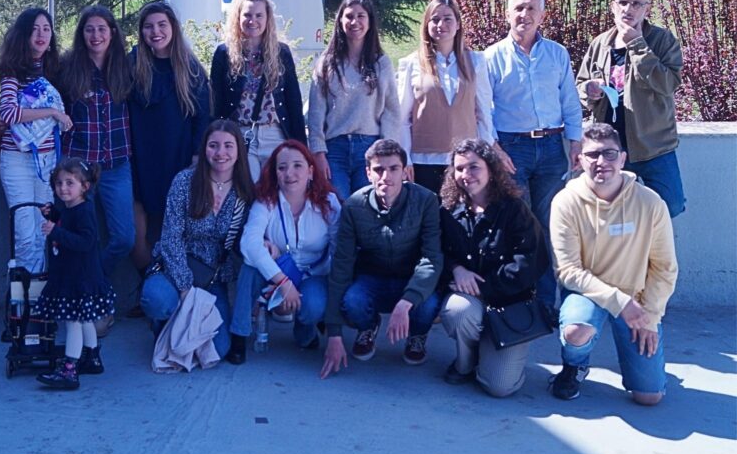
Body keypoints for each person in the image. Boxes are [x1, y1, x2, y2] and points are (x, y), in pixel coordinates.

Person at [549, 123, 678, 405]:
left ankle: (642, 367)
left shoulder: (650, 203)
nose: (601, 162)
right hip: (588, 295)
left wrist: (651, 317)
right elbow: (568, 271)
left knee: (649, 397)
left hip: (637, 299)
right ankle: (575, 365)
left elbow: (664, 266)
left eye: (609, 154)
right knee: (576, 331)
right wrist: (619, 302)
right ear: (579, 159)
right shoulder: (565, 202)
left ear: (622, 158)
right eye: (592, 155)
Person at [484, 0, 583, 315]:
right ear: (507, 13)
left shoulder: (557, 54)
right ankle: (521, 298)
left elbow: (569, 101)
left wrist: (576, 142)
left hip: (553, 149)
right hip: (512, 150)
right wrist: (495, 149)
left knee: (551, 224)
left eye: (531, 9)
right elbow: (482, 110)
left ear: (542, 15)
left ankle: (546, 302)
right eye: (518, 9)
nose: (524, 15)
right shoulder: (492, 57)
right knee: (521, 226)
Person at [320, 139, 443, 379]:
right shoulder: (354, 206)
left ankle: (417, 335)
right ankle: (368, 327)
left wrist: (407, 301)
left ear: (405, 171)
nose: (386, 176)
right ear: (368, 173)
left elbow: (431, 257)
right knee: (352, 300)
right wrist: (334, 334)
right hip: (372, 278)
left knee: (428, 304)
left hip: (411, 278)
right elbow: (342, 265)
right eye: (378, 169)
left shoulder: (426, 200)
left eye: (394, 168)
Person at [140, 120, 255, 359]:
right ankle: (164, 326)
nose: (220, 153)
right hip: (176, 267)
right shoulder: (185, 182)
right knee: (157, 300)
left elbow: (245, 238)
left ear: (238, 151)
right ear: (204, 149)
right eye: (213, 145)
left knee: (220, 349)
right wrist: (184, 289)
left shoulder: (244, 190)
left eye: (228, 146)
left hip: (213, 275)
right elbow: (171, 237)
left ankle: (182, 326)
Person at [438, 139, 544, 397]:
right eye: (460, 169)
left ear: (491, 169)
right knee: (459, 311)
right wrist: (455, 269)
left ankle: (491, 354)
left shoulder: (515, 209)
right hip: (470, 302)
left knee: (499, 387)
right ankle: (466, 362)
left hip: (509, 303)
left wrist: (482, 286)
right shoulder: (449, 210)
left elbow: (531, 261)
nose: (466, 175)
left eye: (474, 167)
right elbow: (437, 251)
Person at [575, 0, 685, 218]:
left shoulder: (662, 40)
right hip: (610, 147)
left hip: (652, 145)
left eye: (636, 3)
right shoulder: (600, 43)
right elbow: (581, 84)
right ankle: (622, 254)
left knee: (671, 205)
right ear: (613, 7)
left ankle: (649, 251)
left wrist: (636, 44)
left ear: (647, 8)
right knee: (607, 212)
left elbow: (668, 84)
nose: (628, 9)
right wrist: (589, 90)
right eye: (623, 3)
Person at [226, 140, 341, 364]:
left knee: (313, 306)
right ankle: (239, 335)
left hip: (314, 274)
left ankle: (306, 329)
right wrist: (283, 282)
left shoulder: (329, 202)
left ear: (310, 171)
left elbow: (339, 250)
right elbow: (249, 244)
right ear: (275, 173)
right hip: (277, 270)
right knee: (250, 269)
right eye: (282, 167)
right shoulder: (266, 201)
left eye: (297, 165)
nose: (289, 173)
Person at [128, 1, 210, 270]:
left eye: (162, 24)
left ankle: (179, 292)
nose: (156, 31)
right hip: (139, 158)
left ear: (173, 27)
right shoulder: (132, 63)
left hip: (178, 156)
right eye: (149, 26)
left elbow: (203, 117)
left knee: (176, 229)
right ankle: (148, 290)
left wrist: (198, 156)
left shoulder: (190, 67)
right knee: (139, 235)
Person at [60, 5, 135, 279]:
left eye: (102, 29)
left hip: (117, 166)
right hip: (79, 169)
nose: (95, 35)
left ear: (112, 33)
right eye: (89, 29)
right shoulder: (67, 68)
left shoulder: (126, 67)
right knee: (80, 237)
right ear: (81, 34)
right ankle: (88, 301)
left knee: (124, 238)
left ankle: (95, 284)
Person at [0, 7, 71, 274]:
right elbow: (9, 113)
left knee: (43, 230)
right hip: (17, 160)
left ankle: (39, 299)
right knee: (24, 231)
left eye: (46, 29)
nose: (41, 35)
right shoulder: (12, 71)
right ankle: (22, 301)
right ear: (23, 34)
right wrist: (51, 112)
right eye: (34, 29)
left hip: (48, 161)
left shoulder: (56, 71)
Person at [397, 0, 494, 194]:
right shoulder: (412, 64)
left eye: (448, 18)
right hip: (423, 161)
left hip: (464, 162)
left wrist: (486, 156)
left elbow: (484, 112)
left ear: (458, 24)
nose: (441, 24)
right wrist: (404, 157)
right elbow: (402, 118)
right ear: (427, 25)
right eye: (435, 19)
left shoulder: (476, 62)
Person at [307, 0, 399, 200]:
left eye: (360, 16)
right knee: (337, 206)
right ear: (340, 21)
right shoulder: (326, 64)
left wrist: (387, 151)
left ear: (369, 22)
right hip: (334, 150)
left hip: (369, 147)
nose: (354, 21)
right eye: (349, 16)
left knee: (367, 207)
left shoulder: (381, 63)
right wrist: (318, 153)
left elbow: (391, 111)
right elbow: (315, 114)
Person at [34, 158, 116, 390]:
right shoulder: (69, 208)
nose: (63, 188)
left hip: (79, 279)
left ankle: (70, 369)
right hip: (75, 276)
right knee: (85, 319)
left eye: (70, 183)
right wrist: (52, 217)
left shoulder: (84, 211)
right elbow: (65, 223)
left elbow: (86, 241)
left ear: (85, 187)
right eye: (59, 183)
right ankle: (91, 357)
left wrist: (56, 232)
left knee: (72, 322)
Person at [210, 0, 307, 177]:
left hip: (276, 133)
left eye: (258, 15)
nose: (252, 20)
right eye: (247, 15)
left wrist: (302, 148)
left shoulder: (281, 53)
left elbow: (293, 101)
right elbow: (216, 102)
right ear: (238, 18)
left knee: (279, 189)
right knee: (250, 190)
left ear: (267, 19)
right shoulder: (224, 53)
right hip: (241, 133)